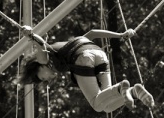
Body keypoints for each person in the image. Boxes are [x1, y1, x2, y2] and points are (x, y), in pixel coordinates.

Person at [19, 27, 155, 113]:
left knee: (96, 104)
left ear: (38, 67)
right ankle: (134, 92)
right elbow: (93, 33)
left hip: (83, 59)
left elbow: (40, 43)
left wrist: (30, 34)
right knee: (107, 105)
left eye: (43, 78)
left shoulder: (43, 60)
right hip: (99, 55)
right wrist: (120, 35)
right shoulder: (65, 46)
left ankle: (121, 88)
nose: (48, 79)